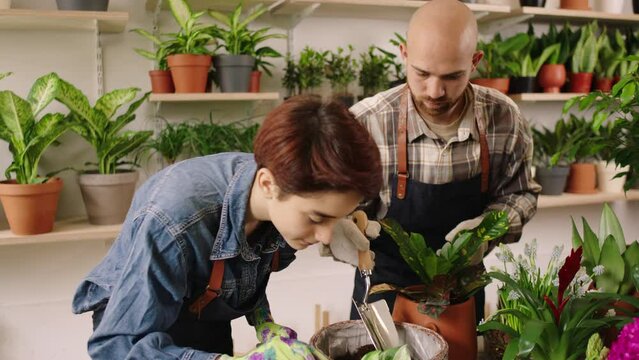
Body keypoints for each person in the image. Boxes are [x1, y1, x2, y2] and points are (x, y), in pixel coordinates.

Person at [71, 95, 383, 359]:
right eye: (317, 218)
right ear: (267, 184)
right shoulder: (175, 221)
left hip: (208, 325)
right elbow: (114, 347)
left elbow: (244, 269)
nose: (325, 236)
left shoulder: (280, 192)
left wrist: (265, 325)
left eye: (336, 217)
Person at [346, 0, 541, 321]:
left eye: (452, 76)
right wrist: (340, 227)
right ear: (404, 54)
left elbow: (521, 194)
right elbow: (343, 207)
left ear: (475, 61)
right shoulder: (368, 121)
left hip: (461, 289)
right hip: (384, 287)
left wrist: (487, 231)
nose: (435, 91)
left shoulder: (503, 117)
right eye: (422, 73)